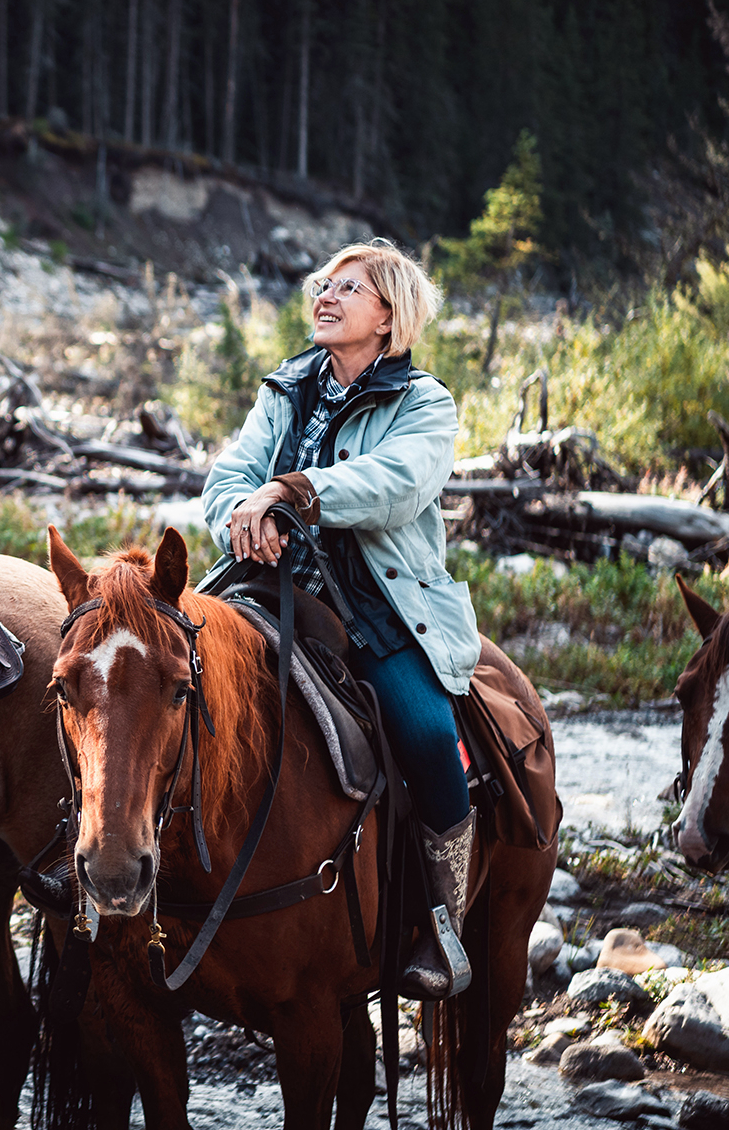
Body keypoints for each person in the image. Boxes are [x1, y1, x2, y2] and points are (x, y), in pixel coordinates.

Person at [199, 239, 482, 1000]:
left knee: (426, 733)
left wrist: (290, 492)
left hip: (375, 604)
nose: (324, 296)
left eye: (348, 288)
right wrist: (240, 514)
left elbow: (395, 483)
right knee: (153, 673)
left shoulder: (423, 401)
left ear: (389, 315)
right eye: (324, 284)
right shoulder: (285, 388)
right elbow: (230, 473)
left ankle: (439, 922)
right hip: (262, 583)